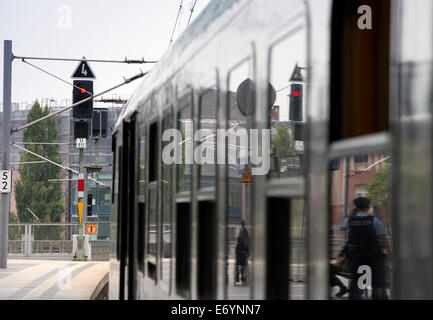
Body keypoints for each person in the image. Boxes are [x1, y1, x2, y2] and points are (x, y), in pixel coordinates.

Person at [341, 197, 389, 300]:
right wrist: (387, 250)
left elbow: (343, 228)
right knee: (378, 279)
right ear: (368, 208)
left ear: (356, 208)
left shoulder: (349, 220)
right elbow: (382, 237)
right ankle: (379, 296)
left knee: (356, 280)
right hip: (372, 255)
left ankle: (355, 295)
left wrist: (350, 215)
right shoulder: (374, 220)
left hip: (356, 256)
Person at [235, 220, 250, 285]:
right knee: (244, 266)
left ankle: (241, 277)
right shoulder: (243, 231)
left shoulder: (242, 231)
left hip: (241, 254)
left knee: (240, 266)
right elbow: (247, 240)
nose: (242, 226)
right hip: (243, 252)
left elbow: (246, 240)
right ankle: (243, 278)